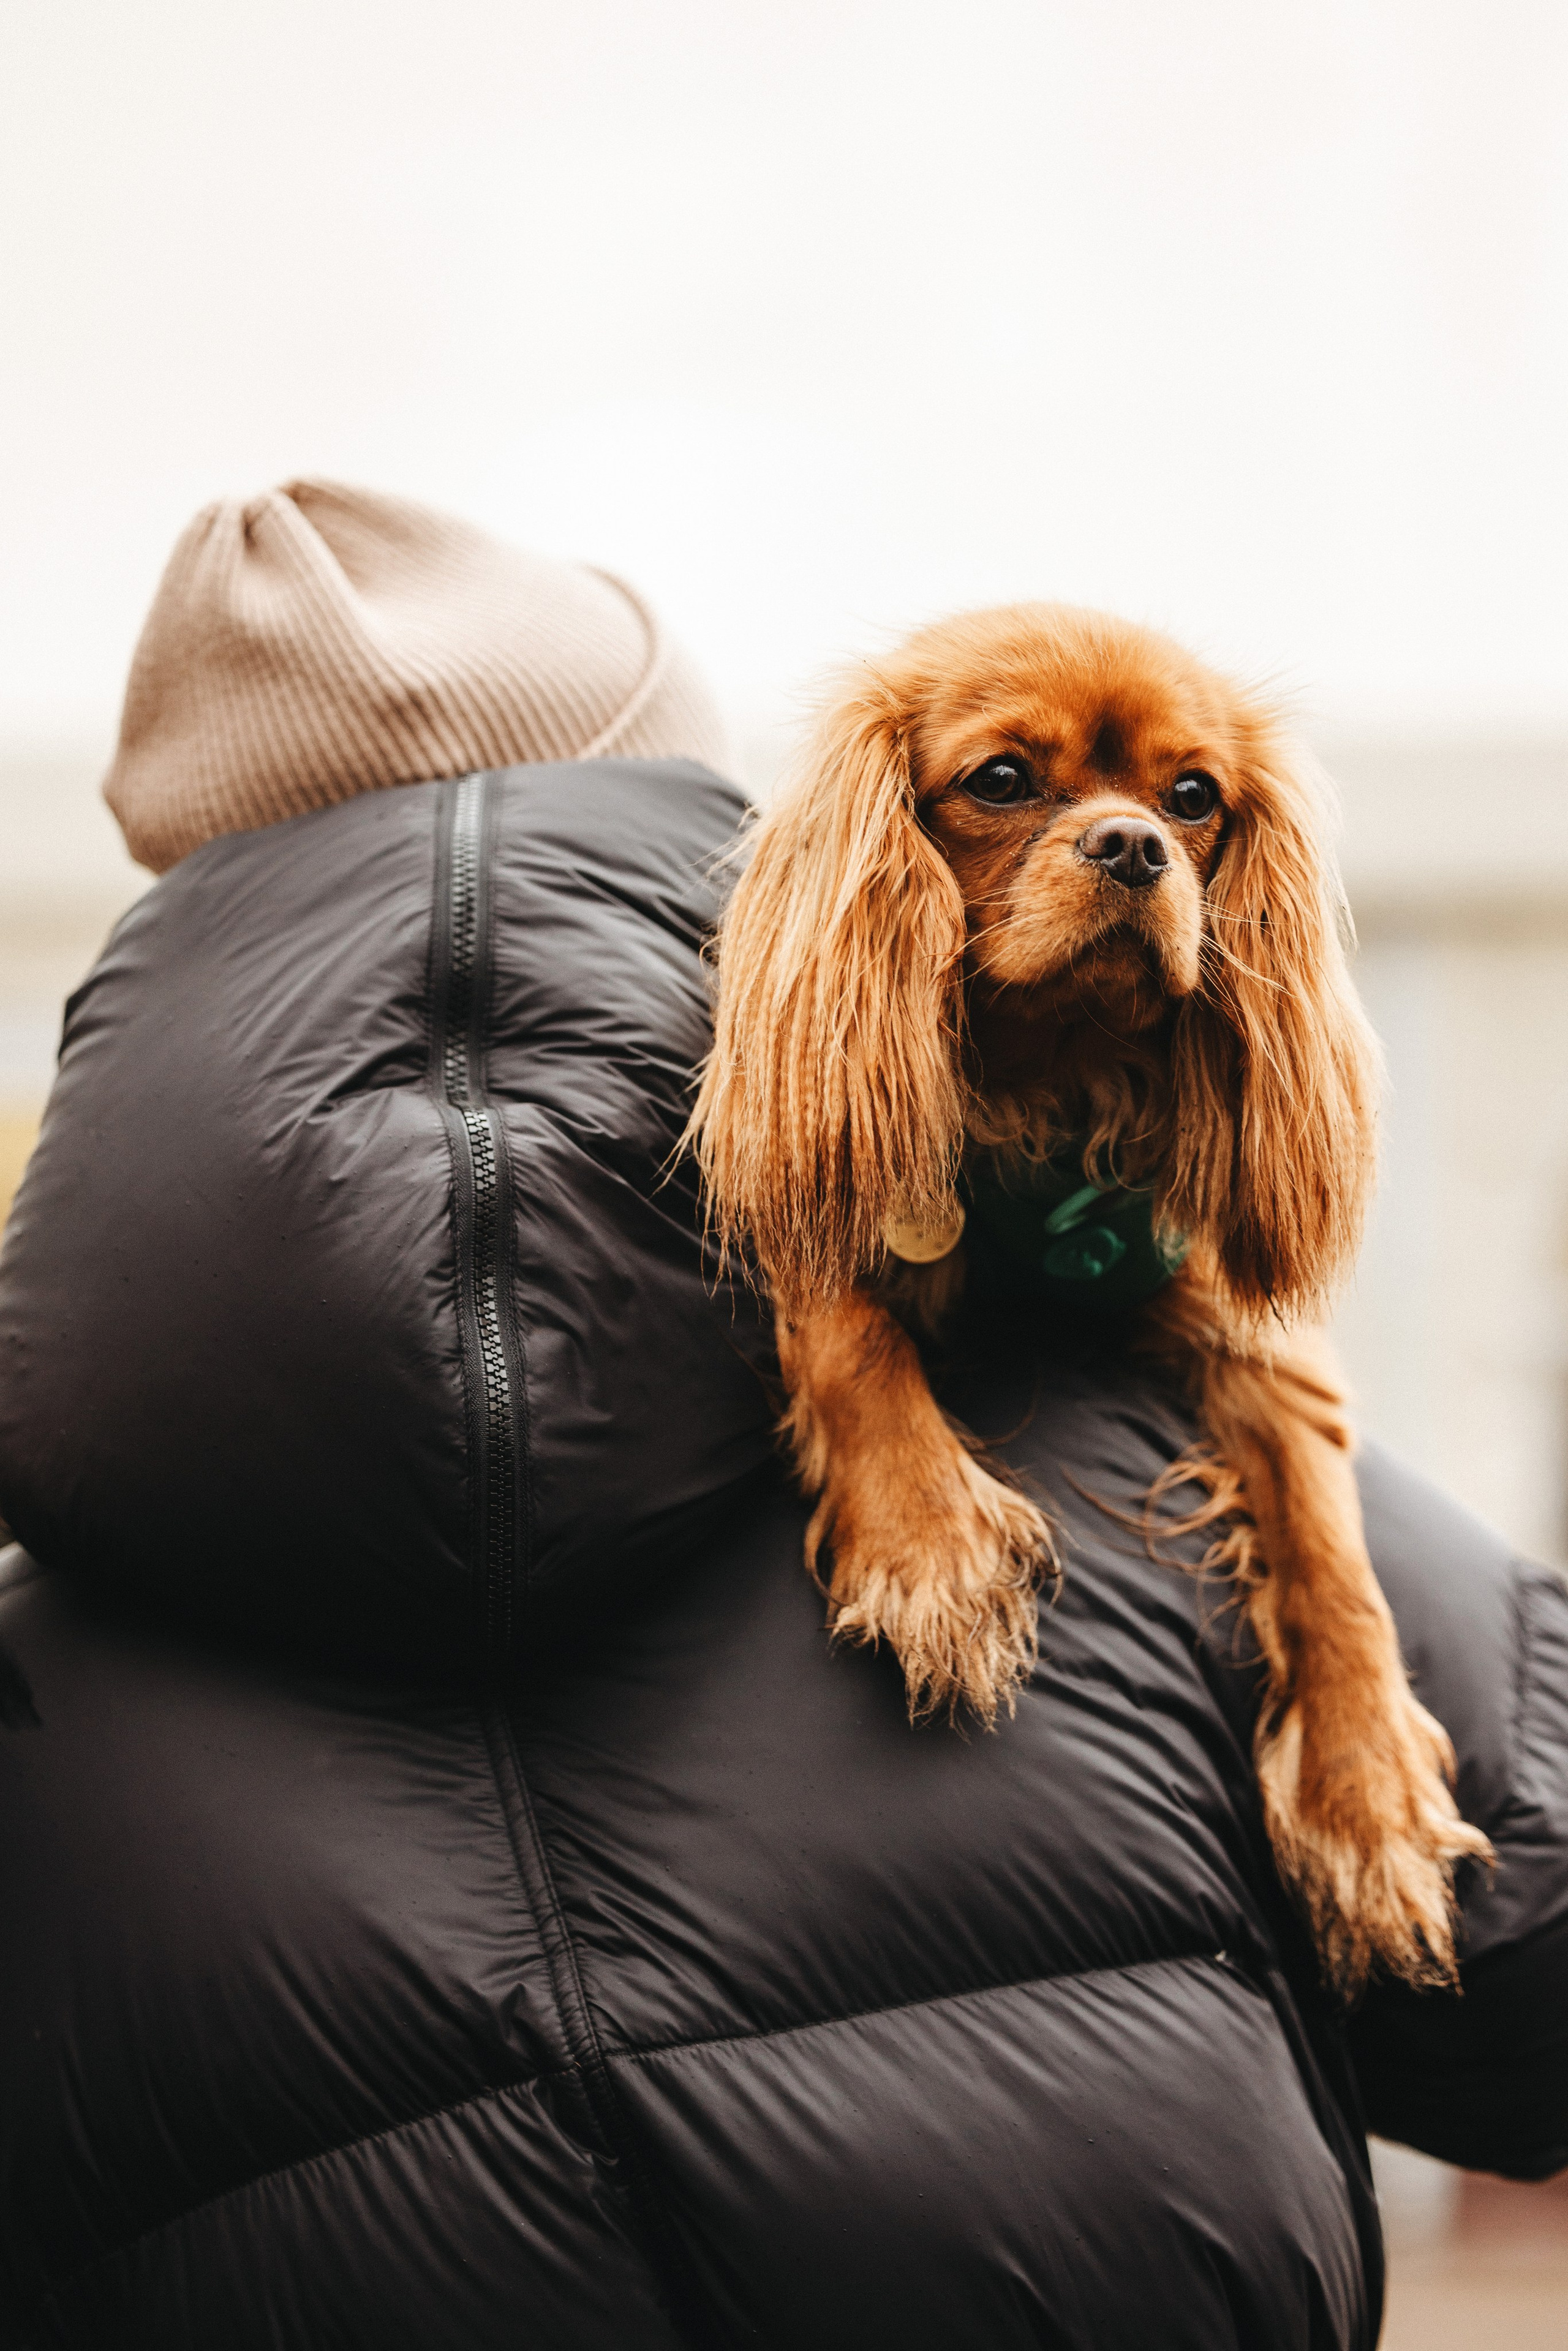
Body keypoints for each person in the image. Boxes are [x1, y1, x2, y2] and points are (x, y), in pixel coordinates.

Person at [0, 482, 1562, 2351]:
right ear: (700, 823)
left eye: (1178, 808)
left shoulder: (43, 1667)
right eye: (1007, 786)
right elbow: (1534, 2031)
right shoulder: (1162, 1446)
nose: (1129, 839)